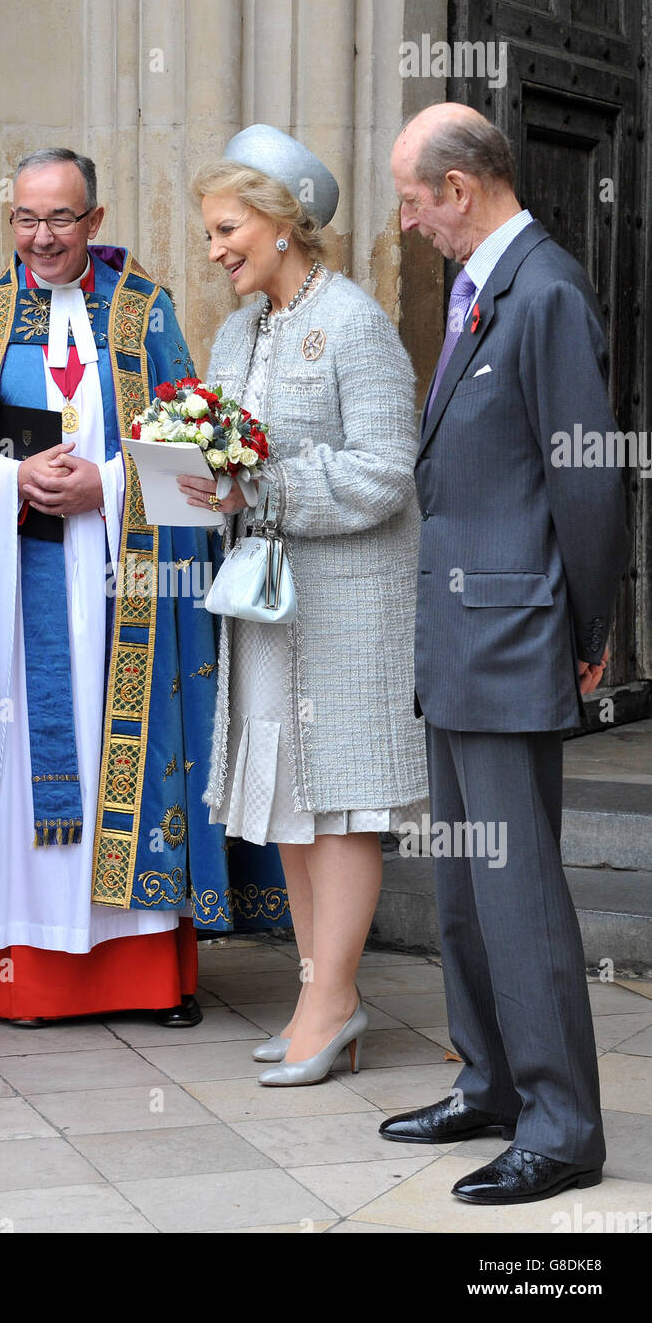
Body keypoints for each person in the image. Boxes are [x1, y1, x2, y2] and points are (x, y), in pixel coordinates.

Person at [0, 148, 239, 1023]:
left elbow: (193, 463)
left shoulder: (143, 314)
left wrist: (108, 484)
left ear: (94, 222)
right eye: (26, 218)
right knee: (19, 770)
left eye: (60, 219)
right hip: (8, 605)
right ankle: (27, 977)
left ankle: (144, 977)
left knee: (121, 758)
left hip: (120, 591)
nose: (41, 237)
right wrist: (9, 485)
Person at [383, 103, 628, 1204]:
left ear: (461, 189)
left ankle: (561, 1125)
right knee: (462, 889)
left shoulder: (547, 292)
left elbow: (584, 479)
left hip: (517, 633)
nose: (406, 222)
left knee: (515, 890)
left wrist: (586, 631)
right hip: (460, 636)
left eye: (410, 200)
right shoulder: (477, 289)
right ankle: (486, 1081)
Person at [184, 125, 429, 1086]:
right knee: (293, 804)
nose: (214, 251)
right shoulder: (237, 330)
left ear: (283, 224)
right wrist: (198, 485)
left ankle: (332, 1003)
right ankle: (316, 996)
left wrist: (263, 488)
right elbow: (225, 459)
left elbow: (383, 473)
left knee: (340, 805)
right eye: (209, 233)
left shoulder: (356, 323)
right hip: (268, 604)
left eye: (226, 229)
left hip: (348, 607)